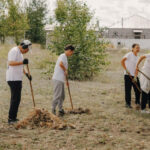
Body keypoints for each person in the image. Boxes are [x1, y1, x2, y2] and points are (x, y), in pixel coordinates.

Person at [6, 40, 32, 124]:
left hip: (18, 78)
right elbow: (10, 63)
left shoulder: (20, 53)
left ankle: (13, 117)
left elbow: (20, 66)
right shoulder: (14, 51)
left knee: (17, 99)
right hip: (13, 78)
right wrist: (22, 62)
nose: (26, 52)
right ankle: (11, 119)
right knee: (15, 98)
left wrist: (27, 74)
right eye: (26, 50)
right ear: (23, 46)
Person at [52, 45, 75, 116]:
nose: (72, 54)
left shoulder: (65, 57)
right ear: (69, 51)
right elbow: (60, 64)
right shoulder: (62, 55)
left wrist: (66, 82)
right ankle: (53, 110)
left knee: (62, 96)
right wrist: (65, 69)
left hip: (61, 79)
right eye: (72, 52)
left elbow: (64, 72)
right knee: (57, 95)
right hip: (57, 78)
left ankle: (60, 109)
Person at [121, 44, 141, 108]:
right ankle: (128, 104)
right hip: (127, 75)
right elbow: (122, 61)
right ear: (132, 48)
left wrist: (135, 76)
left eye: (138, 48)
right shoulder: (129, 54)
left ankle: (137, 102)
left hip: (134, 76)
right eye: (136, 48)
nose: (138, 49)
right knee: (128, 90)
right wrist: (126, 69)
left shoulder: (138, 57)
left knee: (138, 89)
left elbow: (137, 68)